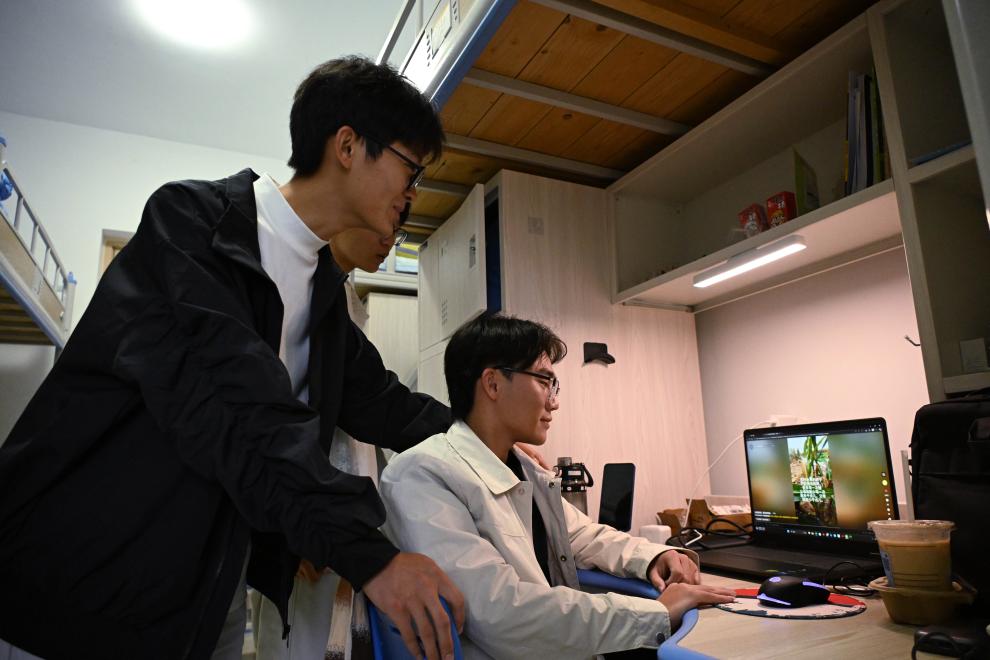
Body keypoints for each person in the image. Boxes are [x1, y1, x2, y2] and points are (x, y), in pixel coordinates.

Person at [0, 56, 464, 660]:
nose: (412, 193)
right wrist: (371, 557)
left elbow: (384, 404)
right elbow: (241, 408)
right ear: (348, 146)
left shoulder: (322, 292)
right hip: (78, 584)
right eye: (410, 168)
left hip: (203, 590)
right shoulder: (193, 225)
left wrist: (480, 441)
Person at [380, 314, 736, 659]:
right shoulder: (423, 474)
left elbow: (582, 535)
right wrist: (654, 613)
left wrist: (654, 556)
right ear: (493, 384)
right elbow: (500, 615)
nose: (554, 400)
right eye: (544, 381)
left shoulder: (523, 470)